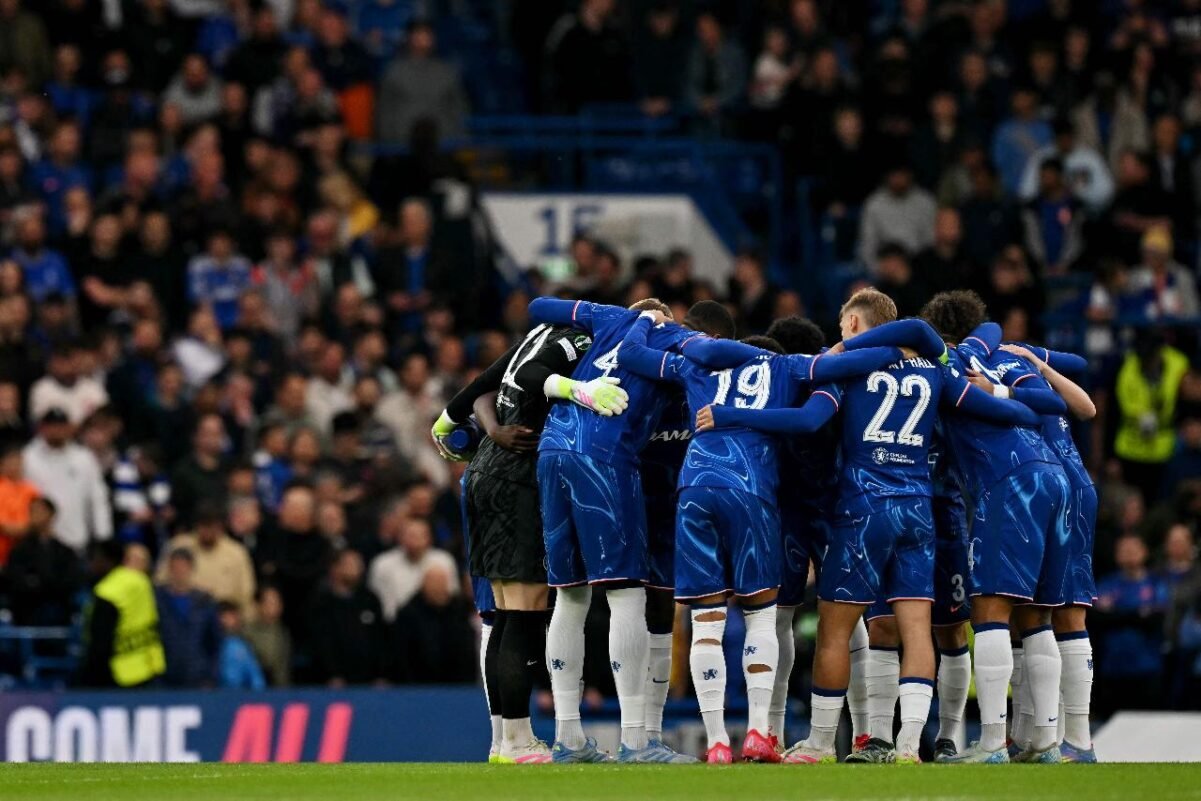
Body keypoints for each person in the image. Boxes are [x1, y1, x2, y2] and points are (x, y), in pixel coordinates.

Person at [691, 291, 1040, 764]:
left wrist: (732, 416)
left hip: (863, 506)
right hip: (917, 507)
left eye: (842, 324)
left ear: (854, 322)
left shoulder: (849, 367)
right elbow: (1004, 408)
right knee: (919, 629)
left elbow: (810, 419)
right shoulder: (935, 369)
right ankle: (909, 745)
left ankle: (818, 743)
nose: (840, 334)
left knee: (837, 629)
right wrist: (1019, 400)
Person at [619, 293, 937, 763]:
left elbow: (637, 356)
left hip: (778, 501)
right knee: (851, 625)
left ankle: (763, 731)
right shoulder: (814, 371)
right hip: (835, 502)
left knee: (777, 619)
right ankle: (874, 735)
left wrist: (647, 324)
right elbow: (819, 414)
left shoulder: (711, 369)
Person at [527, 295, 735, 763]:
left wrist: (633, 318)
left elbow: (539, 305)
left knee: (570, 594)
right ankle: (637, 740)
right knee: (626, 594)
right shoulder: (685, 345)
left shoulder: (613, 316)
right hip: (603, 457)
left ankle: (568, 738)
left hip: (552, 448)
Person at [430, 317, 610, 763]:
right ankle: (516, 741)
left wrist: (464, 424)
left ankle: (505, 740)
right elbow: (531, 379)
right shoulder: (583, 340)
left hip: (485, 471)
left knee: (505, 616)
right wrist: (581, 392)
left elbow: (481, 389)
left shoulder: (535, 337)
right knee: (522, 616)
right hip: (518, 479)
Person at [920, 290, 1074, 764]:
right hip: (1053, 476)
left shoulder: (944, 373)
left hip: (1010, 483)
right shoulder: (989, 358)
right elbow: (1042, 405)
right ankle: (1045, 742)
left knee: (989, 610)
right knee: (1038, 614)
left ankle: (991, 743)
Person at [23, 407, 112, 553]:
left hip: (76, 541)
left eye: (61, 426)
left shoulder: (83, 458)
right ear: (42, 428)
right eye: (52, 426)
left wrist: (103, 535)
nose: (57, 430)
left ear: (69, 428)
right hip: (39, 541)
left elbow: (97, 498)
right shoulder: (28, 457)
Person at [79, 540, 166, 688]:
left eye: (96, 559)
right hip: (150, 664)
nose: (92, 565)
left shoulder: (108, 591)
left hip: (120, 672)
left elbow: (100, 642)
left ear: (108, 560)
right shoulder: (141, 580)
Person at [156, 503, 256, 617]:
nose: (208, 532)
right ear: (196, 526)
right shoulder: (179, 546)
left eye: (212, 526)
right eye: (204, 526)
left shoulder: (236, 553)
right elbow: (161, 581)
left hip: (224, 617)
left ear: (220, 527)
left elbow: (246, 594)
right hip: (184, 616)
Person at [309, 548, 387, 686]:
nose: (357, 569)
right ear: (335, 568)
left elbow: (380, 638)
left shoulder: (370, 599)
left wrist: (381, 673)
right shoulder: (321, 603)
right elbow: (322, 642)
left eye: (358, 564)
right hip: (336, 682)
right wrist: (332, 673)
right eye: (350, 564)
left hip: (370, 681)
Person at [391, 563, 476, 683]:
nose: (438, 587)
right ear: (423, 585)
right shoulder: (408, 614)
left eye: (442, 582)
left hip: (457, 686)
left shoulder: (458, 611)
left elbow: (467, 651)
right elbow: (402, 656)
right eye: (433, 582)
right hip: (417, 686)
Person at [5, 496, 84, 625]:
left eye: (39, 511)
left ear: (51, 514)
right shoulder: (20, 551)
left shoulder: (65, 552)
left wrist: (42, 583)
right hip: (27, 612)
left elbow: (70, 580)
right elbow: (15, 580)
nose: (34, 516)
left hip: (58, 611)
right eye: (32, 511)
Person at [367, 516, 459, 622]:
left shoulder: (444, 561)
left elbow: (452, 596)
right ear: (399, 537)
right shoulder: (382, 563)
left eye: (420, 535)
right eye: (410, 535)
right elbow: (376, 601)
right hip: (394, 626)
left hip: (437, 623)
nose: (415, 540)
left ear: (429, 538)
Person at [155, 547, 223, 688]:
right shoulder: (157, 600)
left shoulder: (204, 602)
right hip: (165, 677)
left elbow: (214, 644)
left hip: (197, 677)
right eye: (175, 567)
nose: (179, 572)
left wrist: (211, 676)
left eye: (183, 567)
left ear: (191, 569)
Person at [217, 601, 266, 690]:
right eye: (227, 616)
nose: (233, 620)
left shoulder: (242, 645)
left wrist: (259, 691)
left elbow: (254, 673)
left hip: (240, 695)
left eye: (234, 616)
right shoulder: (211, 644)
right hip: (216, 695)